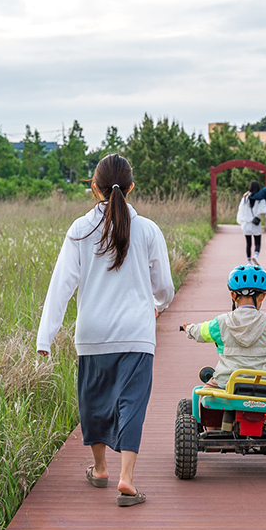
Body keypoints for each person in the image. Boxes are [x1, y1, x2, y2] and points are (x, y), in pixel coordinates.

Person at [37, 154, 174, 506]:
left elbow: (61, 286)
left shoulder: (80, 229)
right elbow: (164, 288)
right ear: (131, 187)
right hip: (137, 333)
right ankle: (126, 479)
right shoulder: (148, 230)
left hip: (92, 333)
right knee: (132, 404)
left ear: (93, 187)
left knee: (94, 402)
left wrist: (45, 338)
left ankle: (99, 470)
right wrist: (157, 306)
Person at [182, 264, 266, 390]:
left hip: (227, 382)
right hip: (262, 382)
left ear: (233, 296)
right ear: (262, 296)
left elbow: (200, 332)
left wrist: (189, 329)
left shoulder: (221, 322)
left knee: (203, 395)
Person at [236, 180, 266, 265]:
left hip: (246, 224)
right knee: (257, 242)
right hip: (255, 223)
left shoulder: (245, 198)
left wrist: (240, 220)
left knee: (248, 243)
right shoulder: (260, 200)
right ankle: (256, 255)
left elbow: (240, 209)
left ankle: (248, 261)